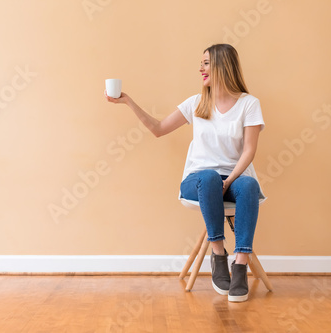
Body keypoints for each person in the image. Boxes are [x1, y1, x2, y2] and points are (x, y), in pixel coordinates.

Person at [104, 43, 266, 302]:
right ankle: (219, 255)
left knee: (248, 186)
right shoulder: (196, 103)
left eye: (206, 63)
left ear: (223, 66)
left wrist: (231, 180)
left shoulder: (249, 104)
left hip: (233, 178)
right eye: (201, 63)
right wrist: (128, 101)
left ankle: (240, 266)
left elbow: (249, 151)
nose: (200, 68)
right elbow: (158, 129)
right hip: (198, 180)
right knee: (210, 177)